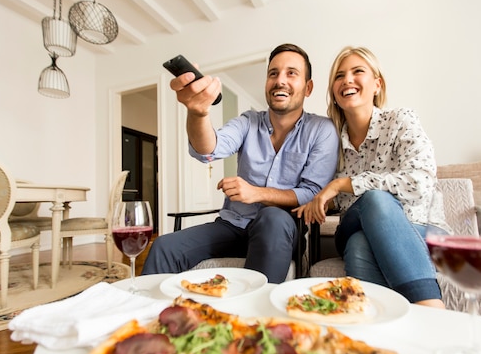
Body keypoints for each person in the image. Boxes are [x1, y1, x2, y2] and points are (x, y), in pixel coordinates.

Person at [142, 43, 339, 283]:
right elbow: (209, 149)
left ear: (308, 88)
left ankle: (252, 318)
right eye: (273, 73)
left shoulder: (322, 130)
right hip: (232, 226)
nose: (280, 80)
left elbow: (314, 193)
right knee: (164, 246)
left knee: (272, 218)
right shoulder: (248, 121)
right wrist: (198, 112)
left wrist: (257, 193)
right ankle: (150, 316)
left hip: (281, 230)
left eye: (291, 73)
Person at [294, 46, 448, 308]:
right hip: (355, 222)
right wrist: (321, 201)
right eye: (339, 76)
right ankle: (430, 309)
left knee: (360, 243)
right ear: (334, 90)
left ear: (377, 84)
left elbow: (420, 181)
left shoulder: (401, 120)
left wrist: (345, 183)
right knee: (374, 201)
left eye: (357, 71)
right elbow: (339, 202)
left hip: (422, 229)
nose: (347, 80)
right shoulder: (331, 142)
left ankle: (376, 326)